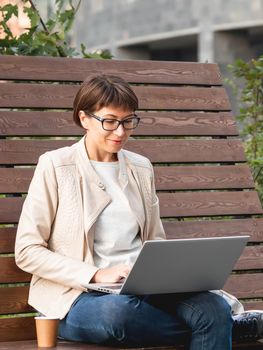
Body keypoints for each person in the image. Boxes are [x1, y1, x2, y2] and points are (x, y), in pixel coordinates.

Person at [15, 75, 262, 349]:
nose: (120, 132)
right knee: (119, 317)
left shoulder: (140, 168)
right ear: (84, 118)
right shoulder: (56, 165)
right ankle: (228, 328)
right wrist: (95, 274)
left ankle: (220, 322)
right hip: (77, 297)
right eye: (109, 121)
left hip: (143, 290)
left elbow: (155, 242)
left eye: (128, 121)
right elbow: (27, 251)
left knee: (213, 307)